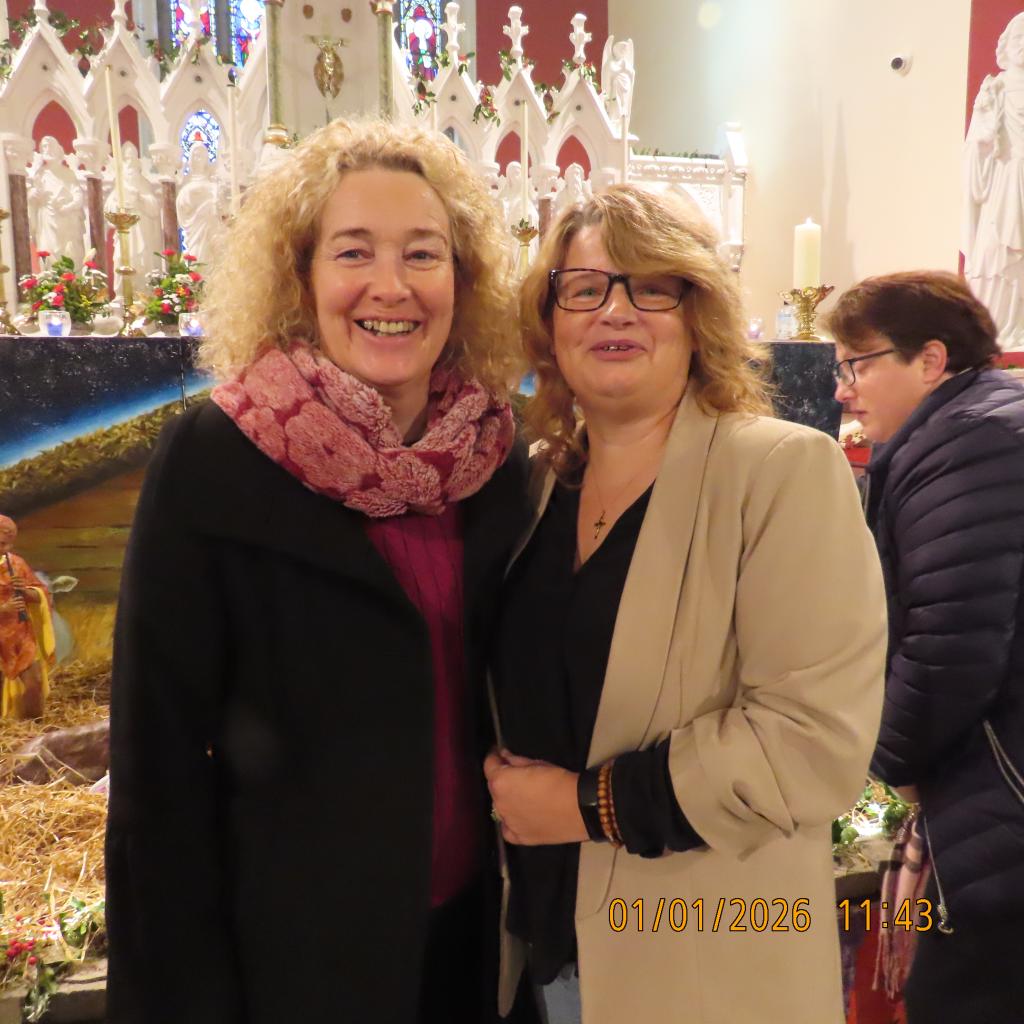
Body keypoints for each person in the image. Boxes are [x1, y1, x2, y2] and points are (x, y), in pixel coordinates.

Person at [105, 118, 536, 1024]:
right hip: (293, 959)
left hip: (474, 946)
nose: (392, 285)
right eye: (353, 251)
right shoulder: (215, 458)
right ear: (300, 277)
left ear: (463, 280)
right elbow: (158, 767)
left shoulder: (499, 457)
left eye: (423, 253)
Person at [485, 185, 888, 1024]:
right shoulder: (536, 484)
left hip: (701, 960)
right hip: (543, 955)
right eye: (584, 288)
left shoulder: (780, 471)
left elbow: (811, 740)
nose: (615, 310)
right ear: (550, 325)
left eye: (651, 286)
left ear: (697, 312)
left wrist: (585, 805)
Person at [829, 270, 1024, 1022]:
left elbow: (949, 646)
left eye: (857, 365)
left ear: (932, 360)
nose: (843, 390)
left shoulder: (969, 443)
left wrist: (889, 765)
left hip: (999, 794)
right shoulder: (976, 426)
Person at [963, 12, 1024, 347]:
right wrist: (983, 142)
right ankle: (997, 332)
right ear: (1006, 45)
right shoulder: (994, 89)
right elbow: (975, 148)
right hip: (1003, 183)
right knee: (995, 254)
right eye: (1018, 38)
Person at [0, 514, 54, 720]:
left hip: (18, 633)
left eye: (7, 544)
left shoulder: (17, 563)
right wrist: (3, 609)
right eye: (0, 543)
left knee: (34, 682)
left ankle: (32, 727)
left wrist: (25, 591)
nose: (3, 548)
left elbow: (40, 594)